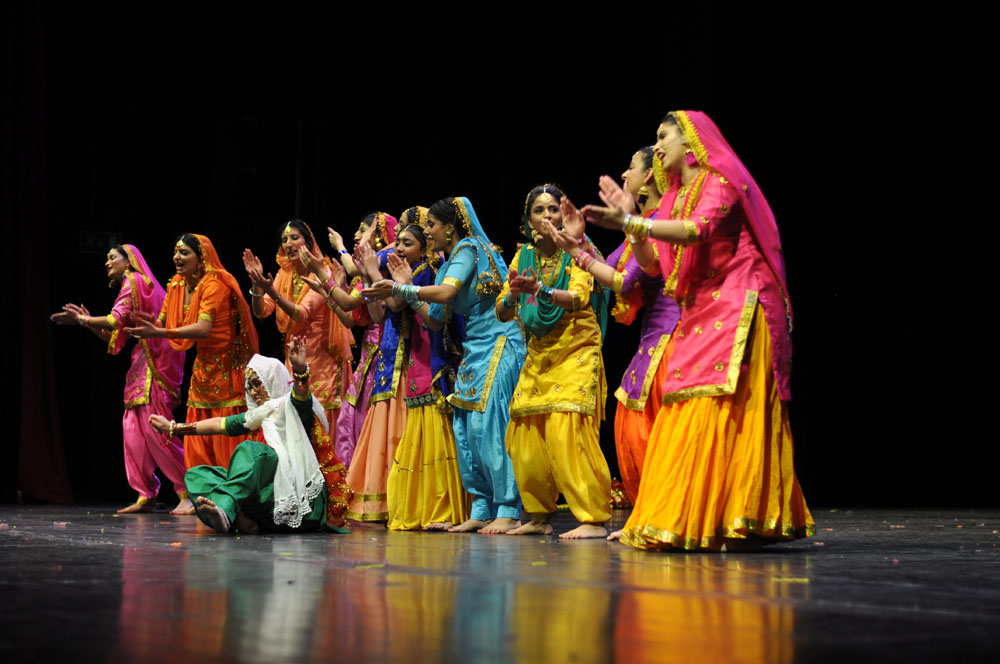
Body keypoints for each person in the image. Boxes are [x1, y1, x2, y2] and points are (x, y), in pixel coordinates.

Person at [582, 110, 813, 550]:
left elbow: (698, 229)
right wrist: (632, 226)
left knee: (730, 409)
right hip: (699, 312)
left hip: (742, 303)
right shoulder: (672, 199)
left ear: (689, 142)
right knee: (687, 409)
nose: (658, 146)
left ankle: (740, 516)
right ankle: (698, 517)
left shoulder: (719, 181)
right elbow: (650, 266)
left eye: (662, 136)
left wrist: (633, 222)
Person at [364, 197, 526, 535]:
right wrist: (408, 291)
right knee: (464, 428)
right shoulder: (449, 261)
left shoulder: (468, 247)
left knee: (488, 426)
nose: (427, 232)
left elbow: (447, 294)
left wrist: (400, 286)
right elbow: (435, 320)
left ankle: (508, 507)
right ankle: (481, 507)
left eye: (431, 226)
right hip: (475, 349)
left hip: (499, 342)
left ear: (449, 226)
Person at [543, 149, 680, 505]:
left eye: (632, 167)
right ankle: (651, 511)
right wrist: (581, 241)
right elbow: (613, 267)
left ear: (648, 176)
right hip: (653, 339)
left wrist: (577, 254)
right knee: (633, 425)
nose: (624, 172)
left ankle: (662, 510)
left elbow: (623, 280)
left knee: (652, 428)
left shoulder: (661, 221)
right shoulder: (647, 220)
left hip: (671, 338)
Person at [495, 185, 613, 540]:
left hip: (576, 348)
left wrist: (539, 292)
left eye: (553, 209)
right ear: (528, 219)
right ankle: (538, 515)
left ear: (564, 216)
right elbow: (502, 312)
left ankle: (593, 518)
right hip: (540, 354)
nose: (546, 216)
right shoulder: (523, 258)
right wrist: (514, 293)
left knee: (566, 429)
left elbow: (578, 298)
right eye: (538, 210)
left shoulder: (577, 251)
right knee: (525, 434)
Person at [150, 337, 351, 533]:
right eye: (249, 387)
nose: (253, 392)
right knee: (197, 475)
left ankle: (226, 509)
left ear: (272, 379)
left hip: (301, 503)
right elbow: (219, 425)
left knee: (252, 451)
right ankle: (240, 519)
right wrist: (174, 428)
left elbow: (301, 397)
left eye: (257, 383)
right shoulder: (257, 417)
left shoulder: (291, 408)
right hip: (267, 503)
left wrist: (300, 371)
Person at [51, 244, 191, 514]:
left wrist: (83, 319)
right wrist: (88, 321)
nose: (107, 263)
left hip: (155, 363)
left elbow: (114, 321)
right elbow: (115, 336)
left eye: (112, 257)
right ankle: (145, 494)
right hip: (142, 361)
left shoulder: (134, 280)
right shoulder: (137, 286)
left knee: (154, 427)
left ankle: (190, 490)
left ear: (129, 262)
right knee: (133, 429)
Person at [127, 234, 259, 491]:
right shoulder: (176, 284)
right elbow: (163, 322)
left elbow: (202, 329)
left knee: (224, 426)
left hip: (227, 365)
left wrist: (158, 333)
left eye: (185, 253)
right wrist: (148, 327)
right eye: (176, 252)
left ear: (201, 258)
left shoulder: (215, 284)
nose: (177, 257)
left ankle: (233, 491)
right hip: (203, 365)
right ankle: (202, 492)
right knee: (198, 423)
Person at [380, 223, 469, 530]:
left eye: (407, 243)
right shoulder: (411, 273)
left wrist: (402, 285)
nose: (399, 249)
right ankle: (425, 507)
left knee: (438, 430)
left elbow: (432, 319)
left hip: (435, 358)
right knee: (420, 429)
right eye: (396, 242)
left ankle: (444, 509)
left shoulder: (432, 273)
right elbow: (387, 308)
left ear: (425, 247)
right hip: (415, 360)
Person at [242, 220, 354, 452]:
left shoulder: (322, 271)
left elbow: (302, 314)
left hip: (323, 358)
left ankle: (330, 474)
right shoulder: (284, 273)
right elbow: (262, 310)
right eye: (285, 240)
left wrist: (270, 289)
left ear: (308, 242)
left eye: (295, 238)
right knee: (295, 413)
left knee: (320, 415)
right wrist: (257, 287)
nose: (289, 244)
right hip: (295, 356)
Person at [301, 212, 399, 467]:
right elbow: (349, 319)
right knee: (352, 417)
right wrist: (329, 288)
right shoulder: (368, 271)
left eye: (364, 229)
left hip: (387, 352)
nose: (357, 234)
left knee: (365, 416)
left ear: (380, 235)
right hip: (370, 352)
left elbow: (350, 297)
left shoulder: (387, 261)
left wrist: (326, 270)